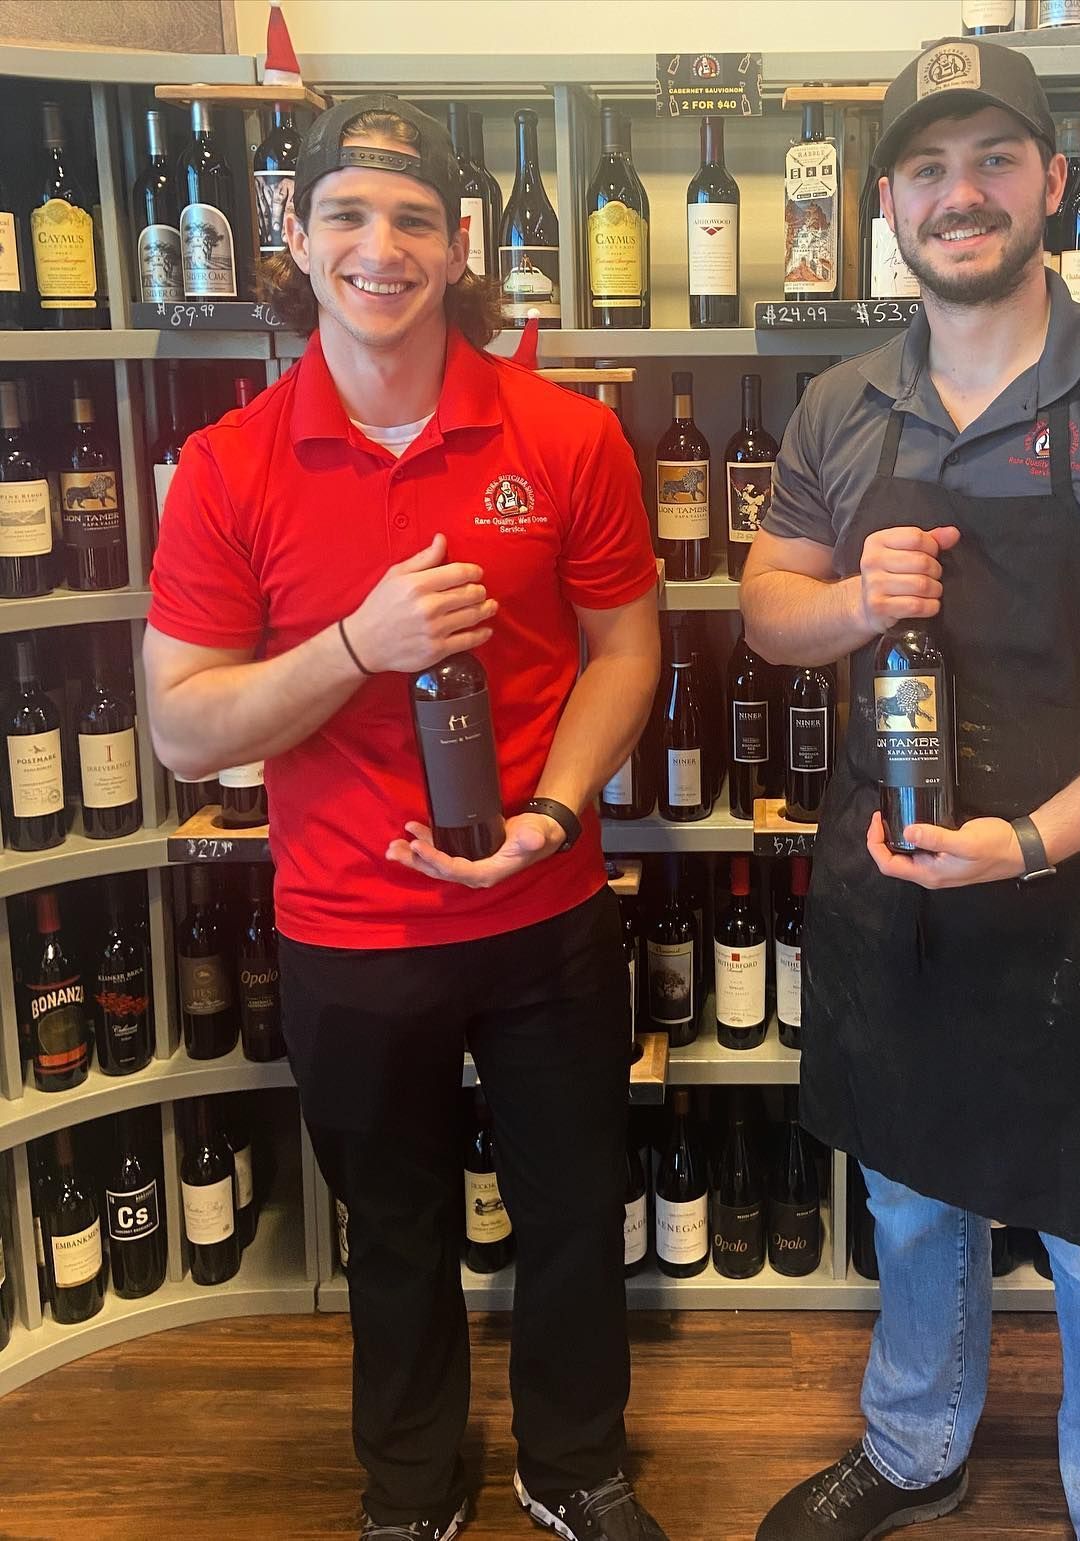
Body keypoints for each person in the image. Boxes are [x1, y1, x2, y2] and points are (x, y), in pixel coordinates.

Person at [741, 39, 1080, 1541]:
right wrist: (853, 600)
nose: (959, 194)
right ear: (888, 204)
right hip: (896, 893)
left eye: (992, 159)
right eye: (926, 167)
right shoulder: (842, 407)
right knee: (912, 1199)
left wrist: (1032, 838)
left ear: (1051, 180)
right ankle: (916, 1445)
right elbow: (767, 609)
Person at [143, 96, 666, 1541]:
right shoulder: (231, 465)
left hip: (545, 907)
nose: (382, 248)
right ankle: (412, 1487)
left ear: (459, 244)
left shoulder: (568, 437)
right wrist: (352, 647)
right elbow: (183, 724)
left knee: (576, 1210)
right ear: (296, 235)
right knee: (393, 1229)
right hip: (348, 928)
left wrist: (553, 811)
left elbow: (627, 652)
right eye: (350, 216)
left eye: (415, 219)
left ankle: (574, 1464)